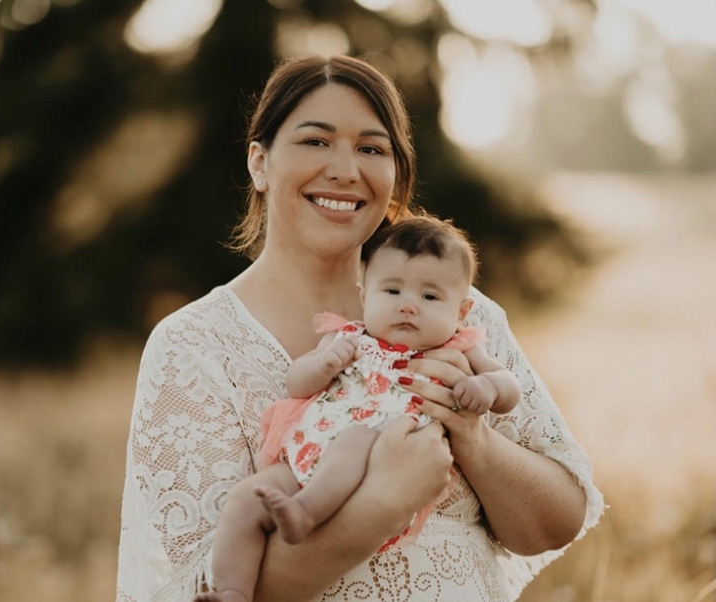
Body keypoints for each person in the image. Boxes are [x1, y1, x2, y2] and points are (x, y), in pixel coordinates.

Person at [116, 55, 604, 602]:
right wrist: (379, 506)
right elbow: (195, 588)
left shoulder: (461, 315)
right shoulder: (195, 346)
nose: (346, 170)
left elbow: (556, 521)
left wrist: (472, 438)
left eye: (372, 149)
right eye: (315, 141)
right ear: (259, 162)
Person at [194, 215, 523, 602]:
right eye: (392, 291)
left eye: (430, 297)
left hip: (380, 466)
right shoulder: (347, 336)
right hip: (306, 455)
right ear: (365, 295)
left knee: (352, 441)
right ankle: (233, 592)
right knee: (247, 499)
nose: (408, 307)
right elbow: (296, 384)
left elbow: (509, 386)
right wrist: (324, 364)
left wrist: (484, 386)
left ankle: (305, 513)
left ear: (462, 311)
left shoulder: (460, 346)